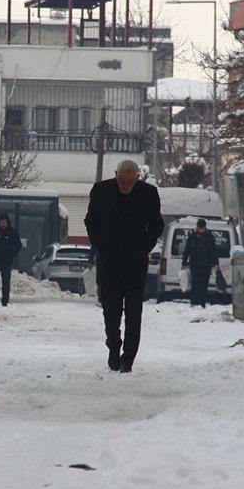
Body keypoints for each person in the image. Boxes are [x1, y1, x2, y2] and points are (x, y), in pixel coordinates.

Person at [84, 160, 164, 373]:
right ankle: (113, 346)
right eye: (122, 180)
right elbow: (90, 221)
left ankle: (128, 358)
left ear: (137, 178)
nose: (126, 185)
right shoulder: (101, 191)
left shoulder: (148, 194)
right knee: (111, 312)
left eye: (130, 181)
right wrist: (100, 245)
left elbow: (156, 226)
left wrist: (143, 247)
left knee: (133, 314)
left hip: (135, 264)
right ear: (115, 175)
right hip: (109, 263)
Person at [182, 218, 219, 308]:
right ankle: (194, 302)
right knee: (195, 284)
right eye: (199, 228)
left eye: (202, 228)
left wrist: (215, 263)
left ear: (205, 228)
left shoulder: (209, 236)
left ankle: (202, 303)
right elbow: (187, 250)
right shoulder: (192, 236)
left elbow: (213, 251)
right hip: (195, 264)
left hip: (206, 265)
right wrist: (184, 262)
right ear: (197, 227)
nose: (201, 230)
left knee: (204, 284)